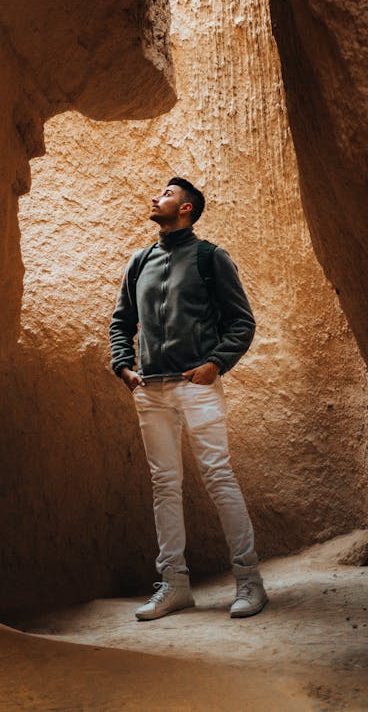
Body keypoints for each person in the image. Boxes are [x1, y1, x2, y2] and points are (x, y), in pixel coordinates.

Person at [109, 177, 268, 621]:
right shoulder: (139, 262)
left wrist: (215, 364)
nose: (155, 197)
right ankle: (174, 584)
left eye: (166, 194)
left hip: (196, 386)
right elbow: (121, 322)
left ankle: (249, 581)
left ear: (187, 209)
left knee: (218, 475)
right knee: (165, 484)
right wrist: (124, 366)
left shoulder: (209, 257)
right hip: (150, 390)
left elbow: (241, 321)